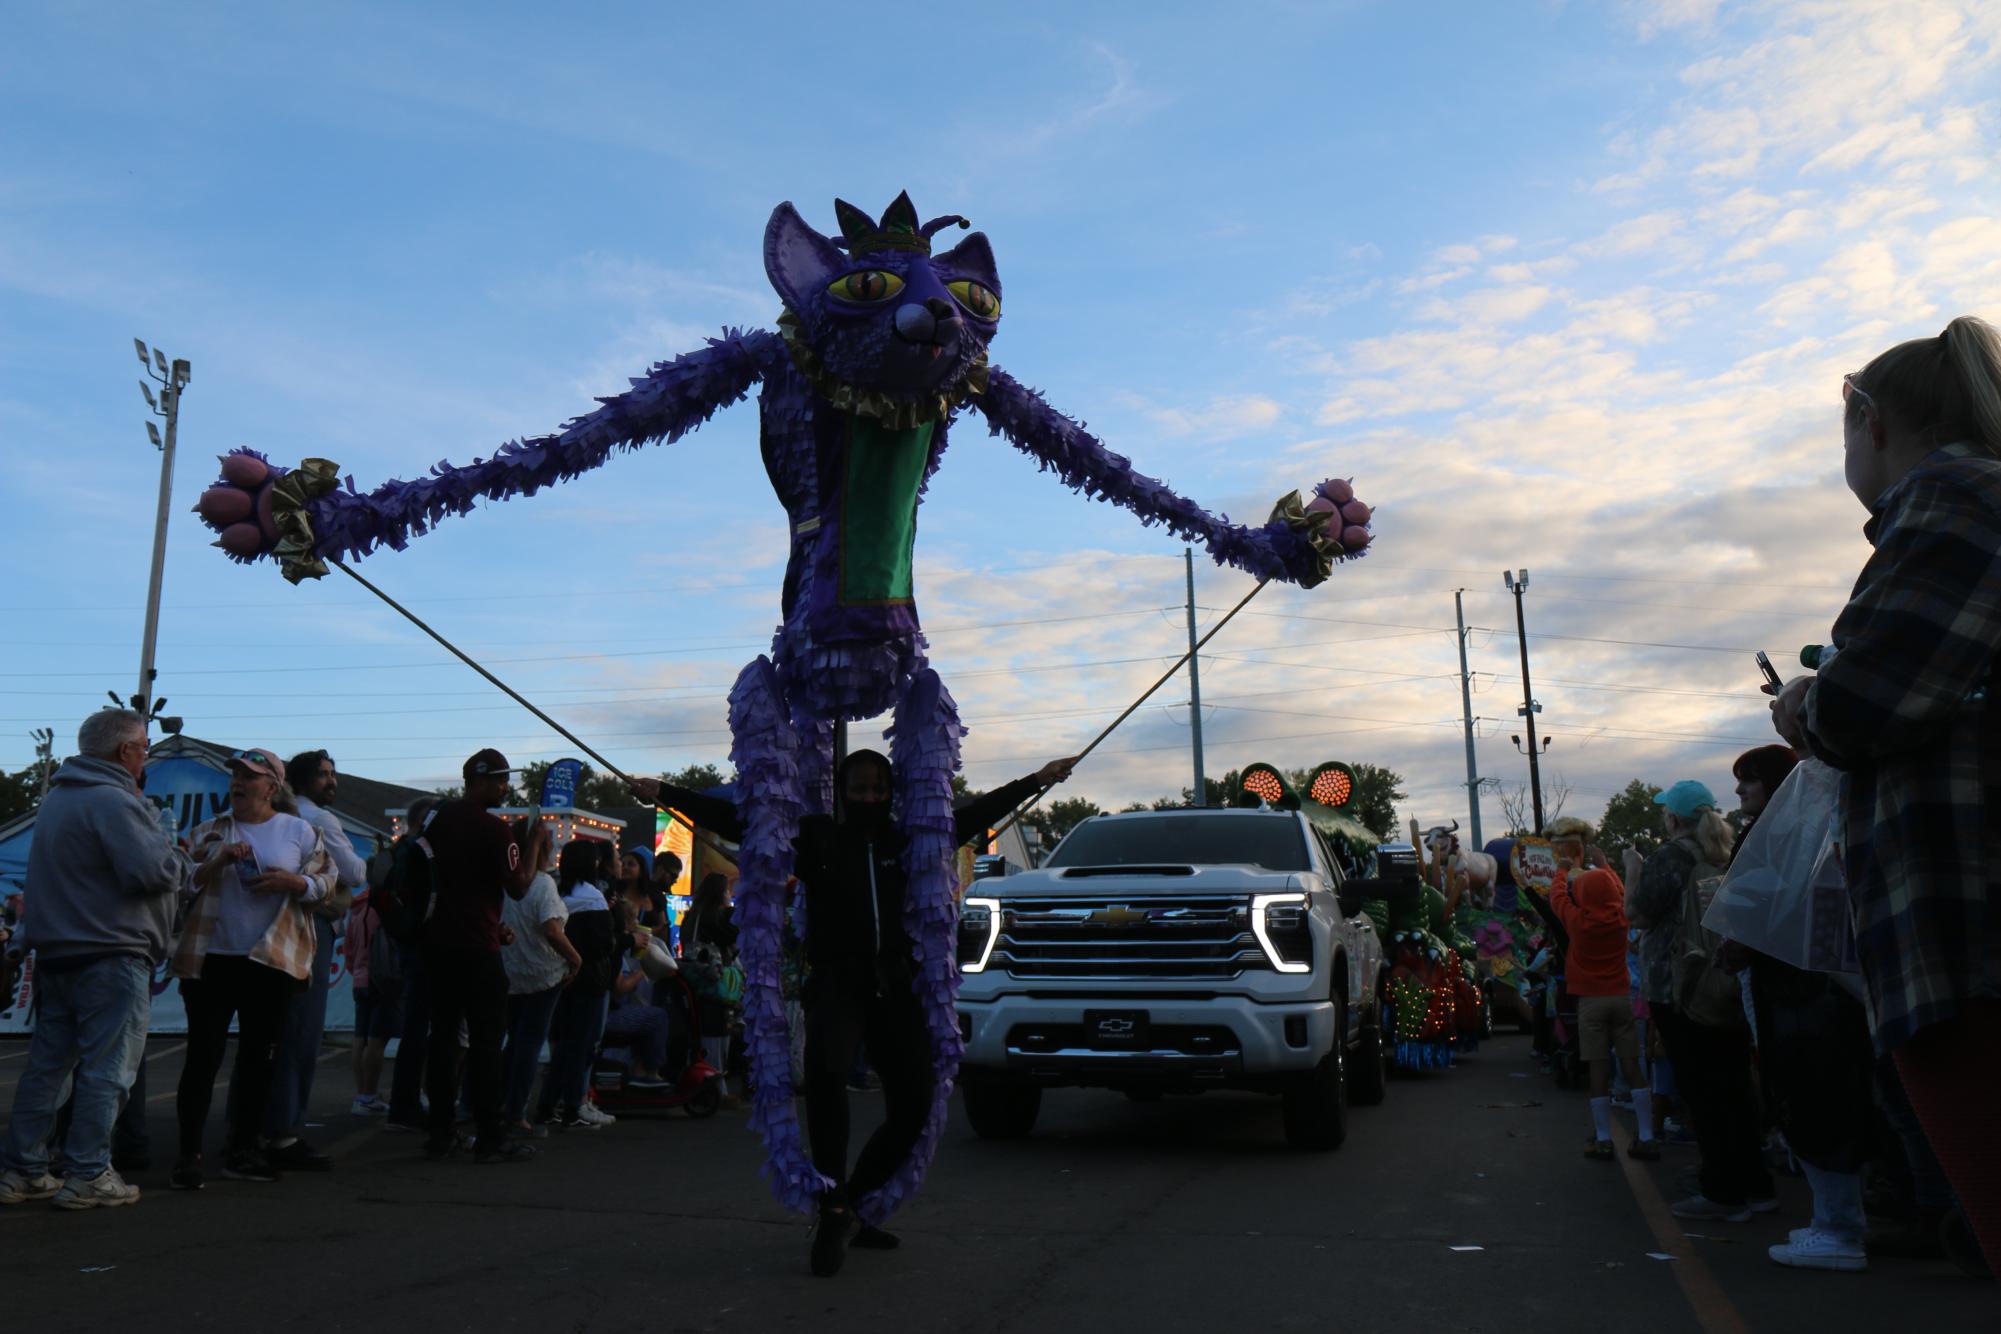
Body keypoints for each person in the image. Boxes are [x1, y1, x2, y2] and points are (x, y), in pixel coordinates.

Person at [633, 748, 1078, 1277]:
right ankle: (832, 1207)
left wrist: (1037, 779)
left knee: (915, 1102)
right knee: (825, 1078)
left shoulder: (906, 837)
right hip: (837, 982)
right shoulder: (815, 836)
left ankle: (855, 1202)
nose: (868, 797)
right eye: (859, 788)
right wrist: (665, 794)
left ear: (889, 792)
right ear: (842, 791)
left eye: (877, 789)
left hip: (896, 983)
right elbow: (740, 820)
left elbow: (971, 816)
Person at [1771, 315, 2001, 1278]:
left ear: (1869, 418)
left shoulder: (1950, 498)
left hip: (1963, 922)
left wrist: (1802, 704)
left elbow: (1864, 704)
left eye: (1843, 435)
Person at [0, 710, 191, 1210]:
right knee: (108, 1070)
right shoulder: (113, 801)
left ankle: (23, 1168)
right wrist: (178, 857)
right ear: (126, 752)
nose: (146, 755)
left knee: (48, 1068)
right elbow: (151, 873)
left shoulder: (59, 800)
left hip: (60, 953)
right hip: (111, 953)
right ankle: (87, 1172)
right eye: (144, 748)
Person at [170, 748, 337, 1190]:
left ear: (272, 787)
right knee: (202, 1060)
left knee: (259, 1060)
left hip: (269, 962)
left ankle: (243, 1151)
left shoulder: (299, 831)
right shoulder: (210, 831)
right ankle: (189, 1156)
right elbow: (181, 883)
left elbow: (328, 881)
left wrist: (294, 882)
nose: (240, 781)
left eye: (252, 775)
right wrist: (219, 860)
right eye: (237, 774)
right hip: (212, 961)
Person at [1626, 779, 1773, 1224]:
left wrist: (1632, 867)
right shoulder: (1720, 854)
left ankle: (1721, 1190)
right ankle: (1755, 1185)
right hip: (1719, 983)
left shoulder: (1669, 857)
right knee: (1733, 1084)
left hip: (1679, 987)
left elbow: (1638, 915)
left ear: (1672, 818)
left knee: (1702, 1089)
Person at [420, 749, 549, 1165]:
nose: (505, 787)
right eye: (499, 780)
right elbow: (519, 887)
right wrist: (533, 843)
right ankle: (491, 1137)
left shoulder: (438, 820)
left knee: (441, 1040)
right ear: (481, 780)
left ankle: (441, 1134)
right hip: (478, 948)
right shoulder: (495, 831)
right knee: (487, 1043)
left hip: (438, 945)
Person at [244, 750, 361, 1171]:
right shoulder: (319, 821)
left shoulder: (263, 820)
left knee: (268, 1035)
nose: (332, 782)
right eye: (325, 775)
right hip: (305, 930)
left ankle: (257, 1128)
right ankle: (285, 1131)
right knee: (299, 1035)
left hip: (264, 934)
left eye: (334, 774)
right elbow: (354, 872)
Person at [1548, 847, 1659, 1163]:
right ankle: (1648, 1136)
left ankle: (1603, 1138)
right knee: (1631, 1065)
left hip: (1591, 1003)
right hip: (1622, 998)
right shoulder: (1622, 916)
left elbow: (1557, 899)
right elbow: (1622, 892)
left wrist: (1562, 870)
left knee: (1598, 1069)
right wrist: (1605, 865)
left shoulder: (1578, 920)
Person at [499, 828, 579, 1137]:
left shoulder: (503, 884)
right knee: (529, 1044)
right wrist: (576, 958)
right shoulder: (543, 885)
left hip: (511, 971)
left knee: (513, 1042)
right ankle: (516, 1112)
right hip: (543, 974)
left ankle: (502, 1103)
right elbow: (551, 930)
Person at [536, 839, 618, 1130]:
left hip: (559, 979)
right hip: (591, 980)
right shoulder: (593, 898)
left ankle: (549, 1104)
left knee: (565, 1044)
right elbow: (604, 944)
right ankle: (573, 1105)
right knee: (583, 1045)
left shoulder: (558, 893)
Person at [382, 796, 439, 1133]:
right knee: (418, 1029)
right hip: (420, 947)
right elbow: (427, 902)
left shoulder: (401, 850)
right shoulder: (419, 854)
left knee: (415, 1029)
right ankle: (406, 1104)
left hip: (406, 943)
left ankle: (405, 1102)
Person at [342, 887, 397, 1115]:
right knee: (376, 1040)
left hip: (360, 979)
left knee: (360, 1039)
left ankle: (363, 1094)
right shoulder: (385, 906)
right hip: (380, 979)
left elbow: (348, 949)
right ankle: (369, 1094)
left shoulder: (356, 909)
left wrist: (356, 971)